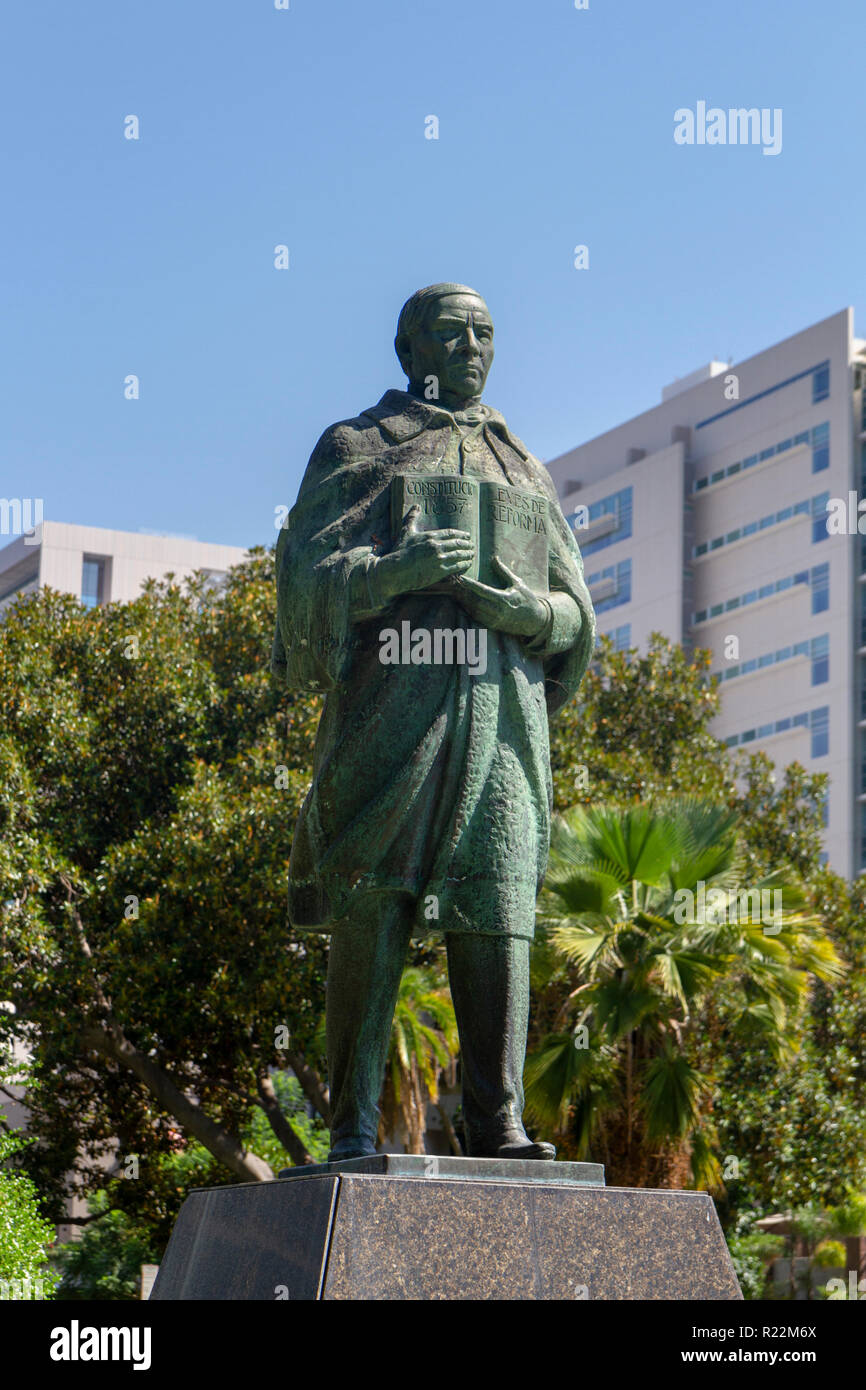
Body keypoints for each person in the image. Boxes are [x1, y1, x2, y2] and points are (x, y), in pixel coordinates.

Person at [272, 283, 596, 1161]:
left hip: (505, 722)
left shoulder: (521, 466)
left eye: (485, 333)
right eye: (452, 333)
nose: (472, 347)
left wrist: (528, 612)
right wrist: (392, 570)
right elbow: (302, 582)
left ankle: (498, 1124)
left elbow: (577, 617)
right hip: (392, 715)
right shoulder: (359, 447)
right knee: (374, 905)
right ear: (408, 348)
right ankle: (350, 1132)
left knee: (497, 912)